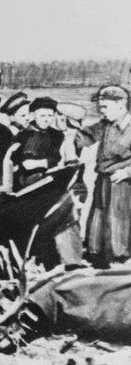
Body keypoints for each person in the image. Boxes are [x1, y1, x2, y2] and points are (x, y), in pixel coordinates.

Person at [77, 86, 131, 267]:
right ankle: (99, 256)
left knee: (119, 221)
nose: (102, 111)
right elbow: (83, 136)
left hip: (124, 183)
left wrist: (127, 172)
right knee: (99, 218)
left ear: (121, 104)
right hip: (104, 179)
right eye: (100, 107)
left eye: (105, 107)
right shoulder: (105, 124)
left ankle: (120, 258)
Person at [9, 97, 64, 190]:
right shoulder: (23, 135)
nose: (46, 120)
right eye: (42, 116)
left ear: (55, 115)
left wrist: (41, 163)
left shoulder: (57, 135)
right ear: (32, 115)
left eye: (50, 116)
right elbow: (19, 161)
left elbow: (56, 157)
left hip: (49, 176)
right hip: (23, 179)